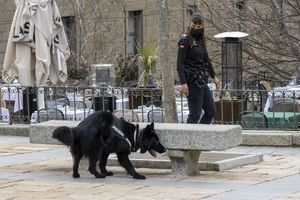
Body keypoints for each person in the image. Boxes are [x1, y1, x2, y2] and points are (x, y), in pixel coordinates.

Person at [176, 13, 221, 124]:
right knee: (194, 115)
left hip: (202, 80)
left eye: (198, 27)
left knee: (211, 111)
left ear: (202, 27)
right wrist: (183, 83)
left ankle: (201, 135)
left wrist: (214, 76)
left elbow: (206, 59)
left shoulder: (201, 40)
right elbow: (180, 63)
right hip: (191, 82)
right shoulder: (185, 40)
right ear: (190, 25)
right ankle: (189, 140)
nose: (196, 29)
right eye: (194, 26)